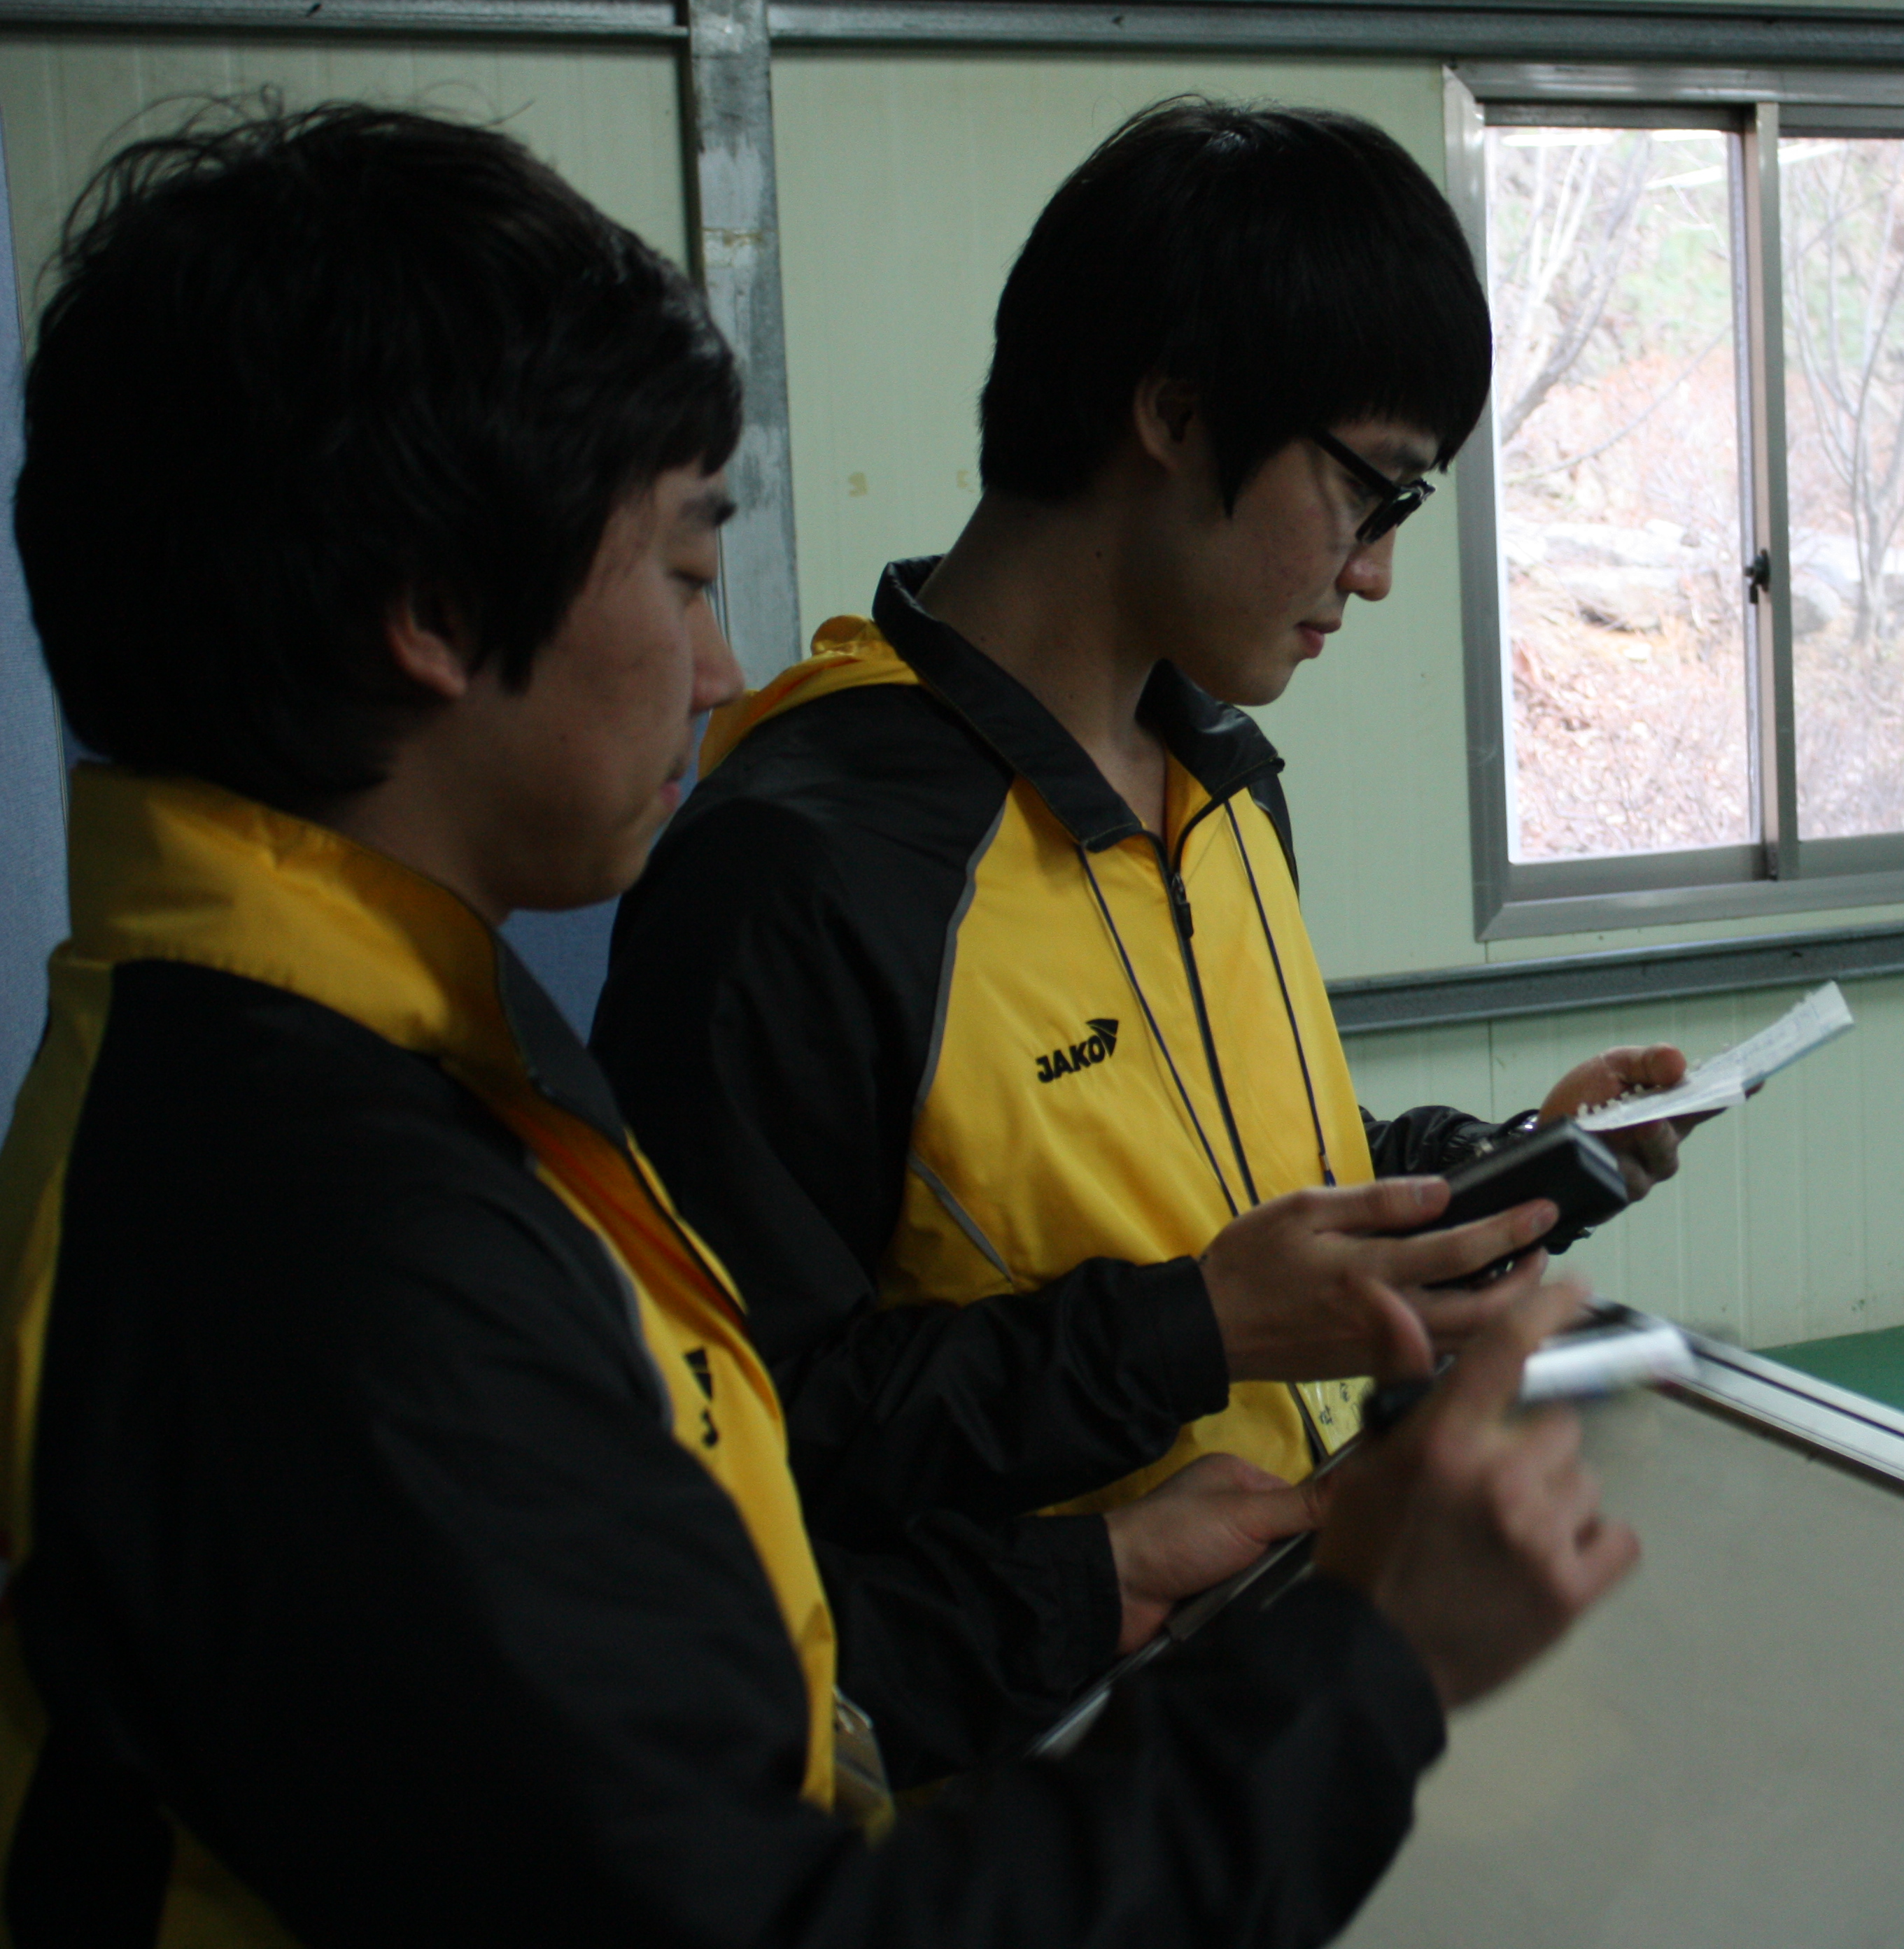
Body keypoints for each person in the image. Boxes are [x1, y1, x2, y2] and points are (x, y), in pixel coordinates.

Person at [0, 99, 1635, 1943]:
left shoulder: (388, 1076)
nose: (719, 671)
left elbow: (675, 1630)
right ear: (440, 614)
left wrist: (1082, 1577)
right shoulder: (319, 1242)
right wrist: (1368, 1655)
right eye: (686, 572)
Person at [592, 102, 1703, 1695]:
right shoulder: (801, 869)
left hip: (1284, 1668)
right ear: (1177, 413)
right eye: (1373, 492)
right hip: (1028, 1757)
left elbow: (1232, 1177)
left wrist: (1502, 1169)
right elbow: (746, 1437)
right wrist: (1190, 1334)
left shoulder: (1220, 785)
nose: (1376, 570)